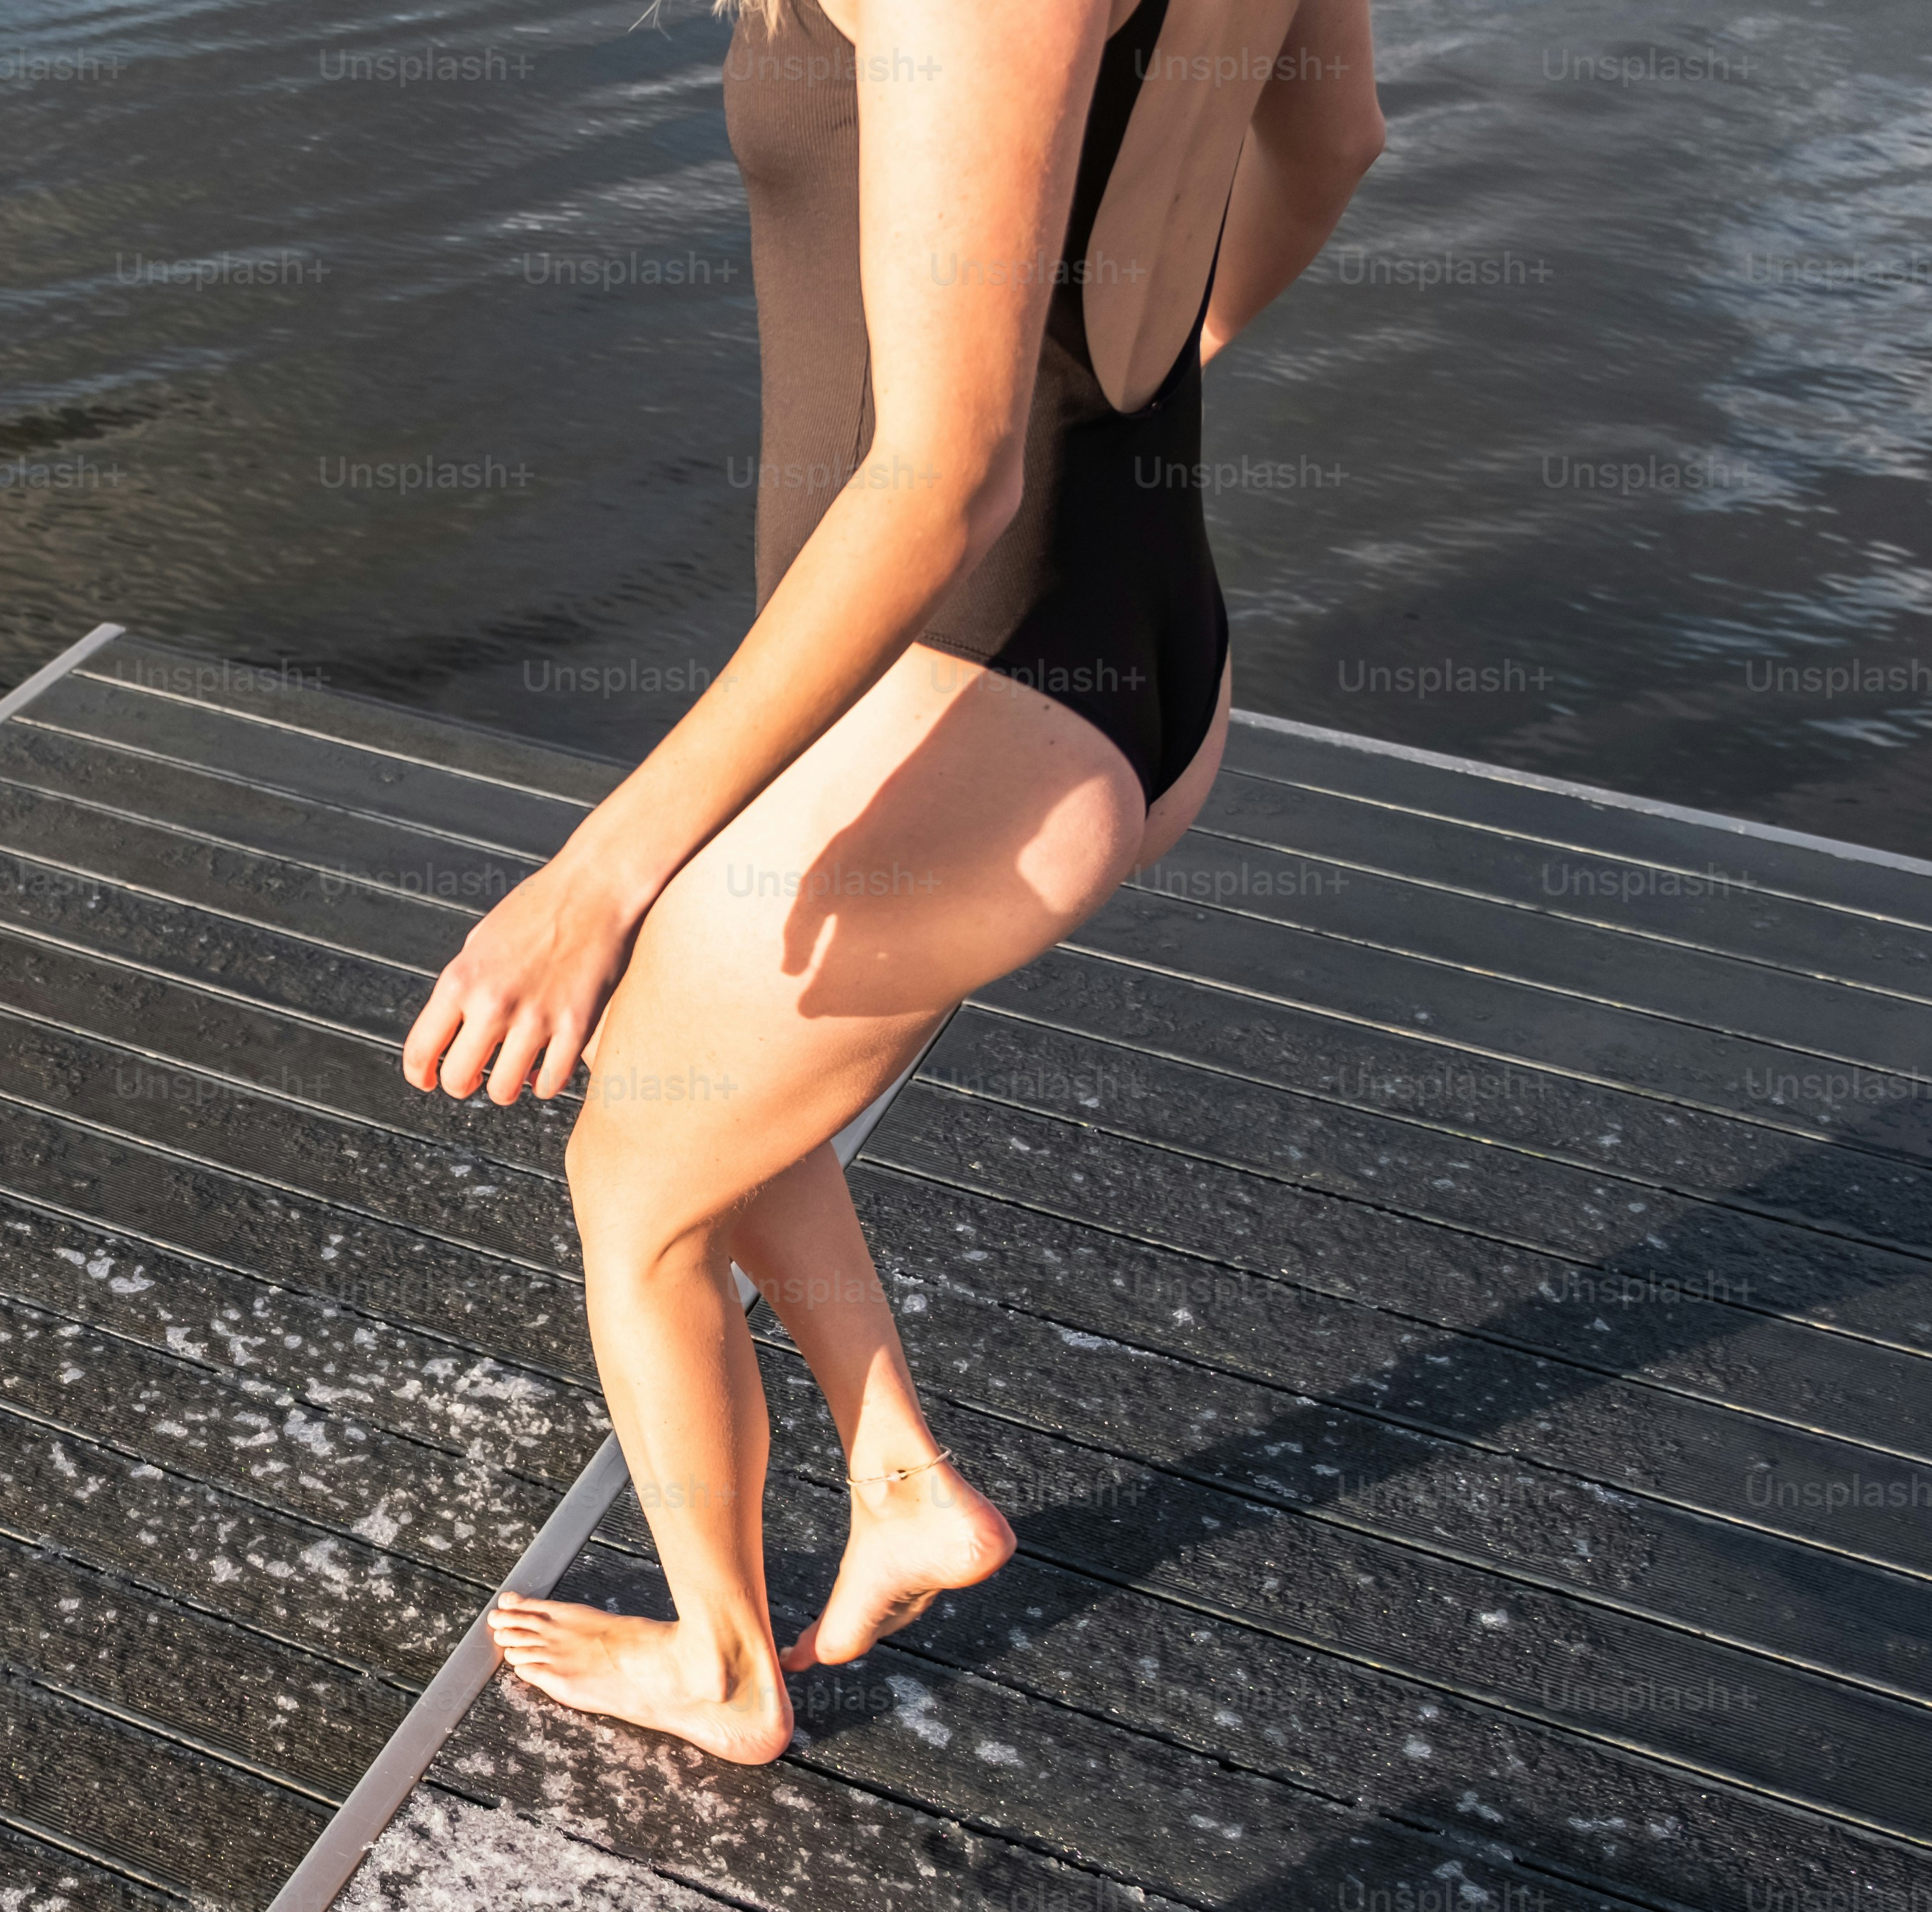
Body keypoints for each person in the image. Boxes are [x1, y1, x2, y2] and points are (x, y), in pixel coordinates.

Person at [403, 0, 1384, 1762]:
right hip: (1126, 623)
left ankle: (724, 1668)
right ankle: (901, 1481)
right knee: (726, 1074)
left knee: (635, 1186)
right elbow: (1330, 146)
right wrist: (1115, 410)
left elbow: (943, 478)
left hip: (972, 685)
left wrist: (595, 873)